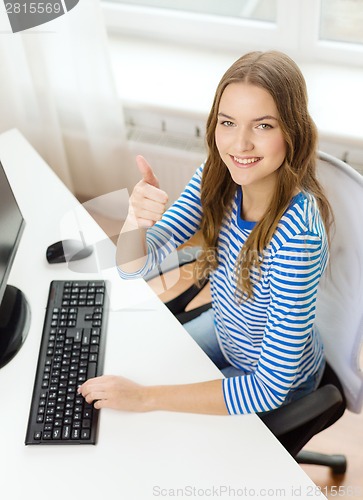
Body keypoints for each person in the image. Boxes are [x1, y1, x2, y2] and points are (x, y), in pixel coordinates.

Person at [78, 50, 332, 416]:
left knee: (160, 415)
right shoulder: (219, 176)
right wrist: (136, 221)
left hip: (275, 382)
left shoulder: (297, 239)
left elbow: (268, 388)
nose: (239, 145)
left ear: (293, 132)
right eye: (228, 123)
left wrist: (146, 399)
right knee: (139, 369)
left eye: (263, 125)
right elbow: (133, 266)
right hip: (228, 330)